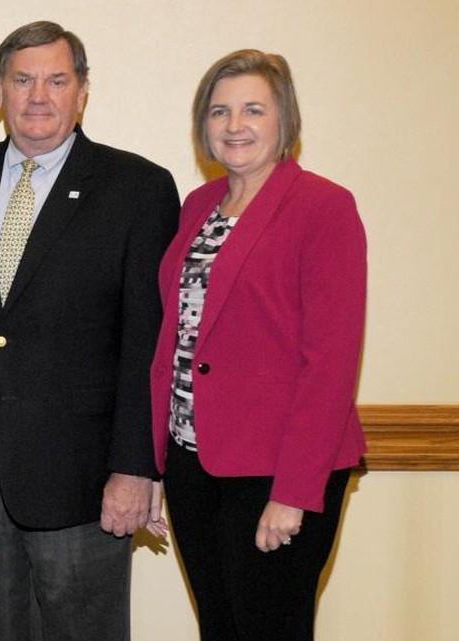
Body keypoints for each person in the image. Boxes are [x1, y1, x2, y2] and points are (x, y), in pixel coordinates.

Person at [0, 20, 179, 641]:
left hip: (86, 482)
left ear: (82, 91)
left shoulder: (138, 188)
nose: (39, 95)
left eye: (57, 80)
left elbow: (148, 342)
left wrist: (136, 468)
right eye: (23, 79)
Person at [149, 49, 367, 641]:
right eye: (219, 111)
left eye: (253, 109)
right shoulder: (198, 208)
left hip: (279, 471)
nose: (234, 125)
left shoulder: (324, 207)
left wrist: (293, 493)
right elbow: (176, 337)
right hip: (194, 462)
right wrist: (155, 461)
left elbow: (330, 362)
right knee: (220, 627)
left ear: (284, 120)